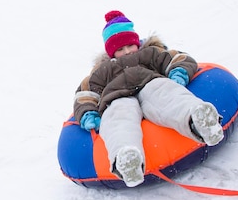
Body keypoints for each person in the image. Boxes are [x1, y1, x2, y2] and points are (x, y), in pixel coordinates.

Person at [73, 11, 224, 187]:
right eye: (120, 49)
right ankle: (127, 158)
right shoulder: (102, 70)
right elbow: (85, 94)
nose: (127, 52)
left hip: (149, 85)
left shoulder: (150, 53)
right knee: (117, 118)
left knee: (166, 94)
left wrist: (178, 72)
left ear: (137, 42)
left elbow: (178, 58)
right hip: (118, 97)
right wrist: (88, 113)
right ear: (111, 52)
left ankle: (198, 120)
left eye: (130, 46)